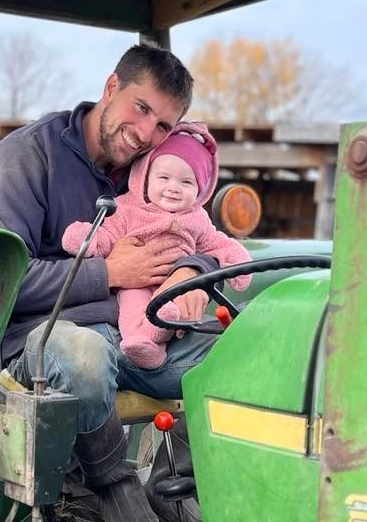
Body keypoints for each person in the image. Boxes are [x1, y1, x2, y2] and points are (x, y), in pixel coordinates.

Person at [0, 44, 220, 522]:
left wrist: (192, 270)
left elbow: (197, 232)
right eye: (141, 108)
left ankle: (173, 482)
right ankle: (114, 484)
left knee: (238, 354)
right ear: (111, 88)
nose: (146, 132)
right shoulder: (28, 157)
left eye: (163, 125)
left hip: (142, 334)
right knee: (83, 356)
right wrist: (108, 272)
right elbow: (1, 279)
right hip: (45, 339)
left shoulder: (154, 166)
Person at [60, 123, 251, 370]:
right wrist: (88, 239)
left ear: (200, 190)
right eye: (164, 178)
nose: (173, 188)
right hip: (135, 284)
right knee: (132, 306)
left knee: (180, 305)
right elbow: (108, 233)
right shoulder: (128, 209)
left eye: (186, 182)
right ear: (145, 177)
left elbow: (215, 243)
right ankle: (144, 344)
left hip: (173, 285)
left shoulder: (197, 218)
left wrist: (236, 261)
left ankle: (161, 330)